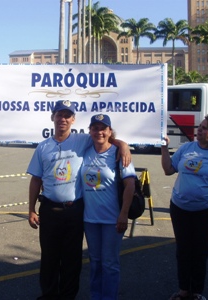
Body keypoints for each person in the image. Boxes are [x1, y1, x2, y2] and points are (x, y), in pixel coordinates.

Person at [27, 100, 131, 300]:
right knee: (49, 257)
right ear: (53, 117)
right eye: (59, 115)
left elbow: (105, 138)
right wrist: (31, 209)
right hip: (49, 209)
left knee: (71, 259)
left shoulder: (82, 140)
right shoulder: (43, 147)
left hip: (74, 211)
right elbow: (35, 180)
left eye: (67, 116)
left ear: (73, 119)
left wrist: (123, 145)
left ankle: (67, 296)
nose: (63, 119)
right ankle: (49, 295)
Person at [161, 115, 208, 300]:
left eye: (205, 128)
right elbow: (168, 170)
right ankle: (184, 290)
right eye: (199, 126)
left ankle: (197, 292)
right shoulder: (186, 148)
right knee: (183, 250)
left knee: (200, 251)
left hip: (205, 210)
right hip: (179, 207)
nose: (199, 130)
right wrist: (164, 147)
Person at [81, 114, 136, 300]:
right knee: (95, 262)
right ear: (90, 131)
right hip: (90, 219)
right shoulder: (86, 150)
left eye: (103, 128)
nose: (99, 132)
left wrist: (124, 214)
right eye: (95, 128)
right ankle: (96, 296)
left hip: (112, 220)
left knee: (110, 264)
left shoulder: (118, 153)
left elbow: (130, 185)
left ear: (110, 131)